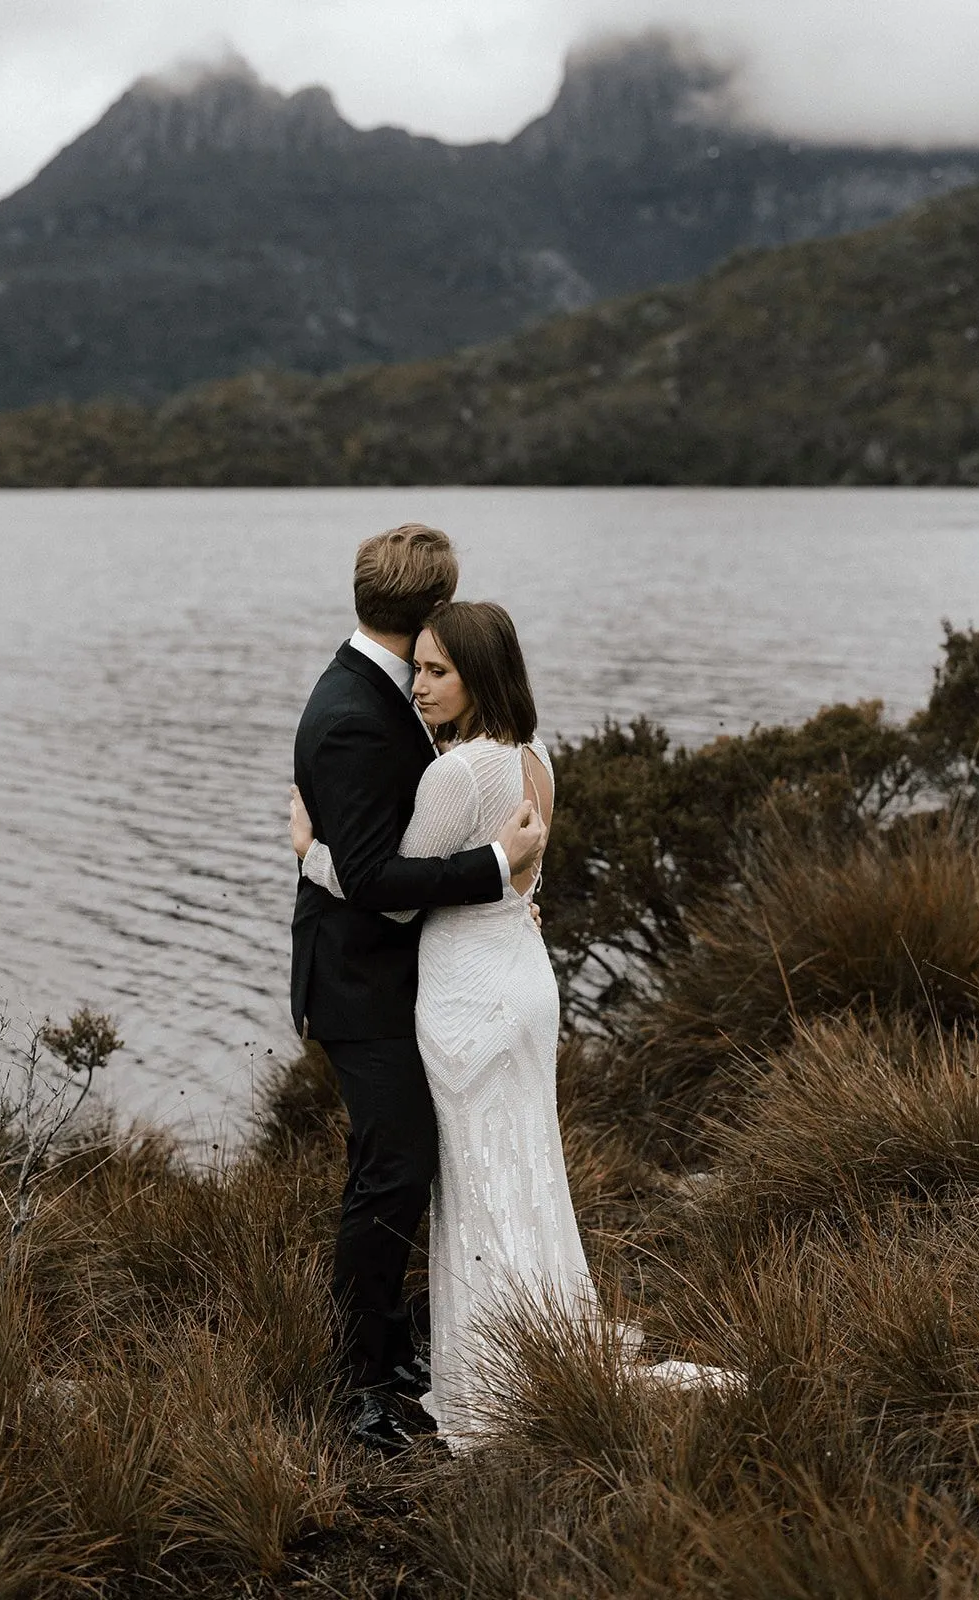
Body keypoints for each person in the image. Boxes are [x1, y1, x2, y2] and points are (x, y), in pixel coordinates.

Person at [293, 599, 737, 1453]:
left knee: (472, 1180)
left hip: (467, 991)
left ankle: (496, 1370)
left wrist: (311, 853)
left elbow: (394, 901)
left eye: (436, 672)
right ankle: (545, 1342)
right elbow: (514, 885)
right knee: (523, 1167)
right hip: (527, 985)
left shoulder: (456, 776)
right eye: (417, 668)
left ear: (478, 677)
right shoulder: (537, 760)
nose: (417, 687)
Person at [290, 527, 546, 1452]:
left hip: (419, 978)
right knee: (392, 1173)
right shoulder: (357, 711)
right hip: (360, 984)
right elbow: (367, 877)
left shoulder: (395, 695)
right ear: (434, 603)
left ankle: (389, 1343)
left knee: (403, 1171)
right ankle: (352, 1383)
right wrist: (495, 868)